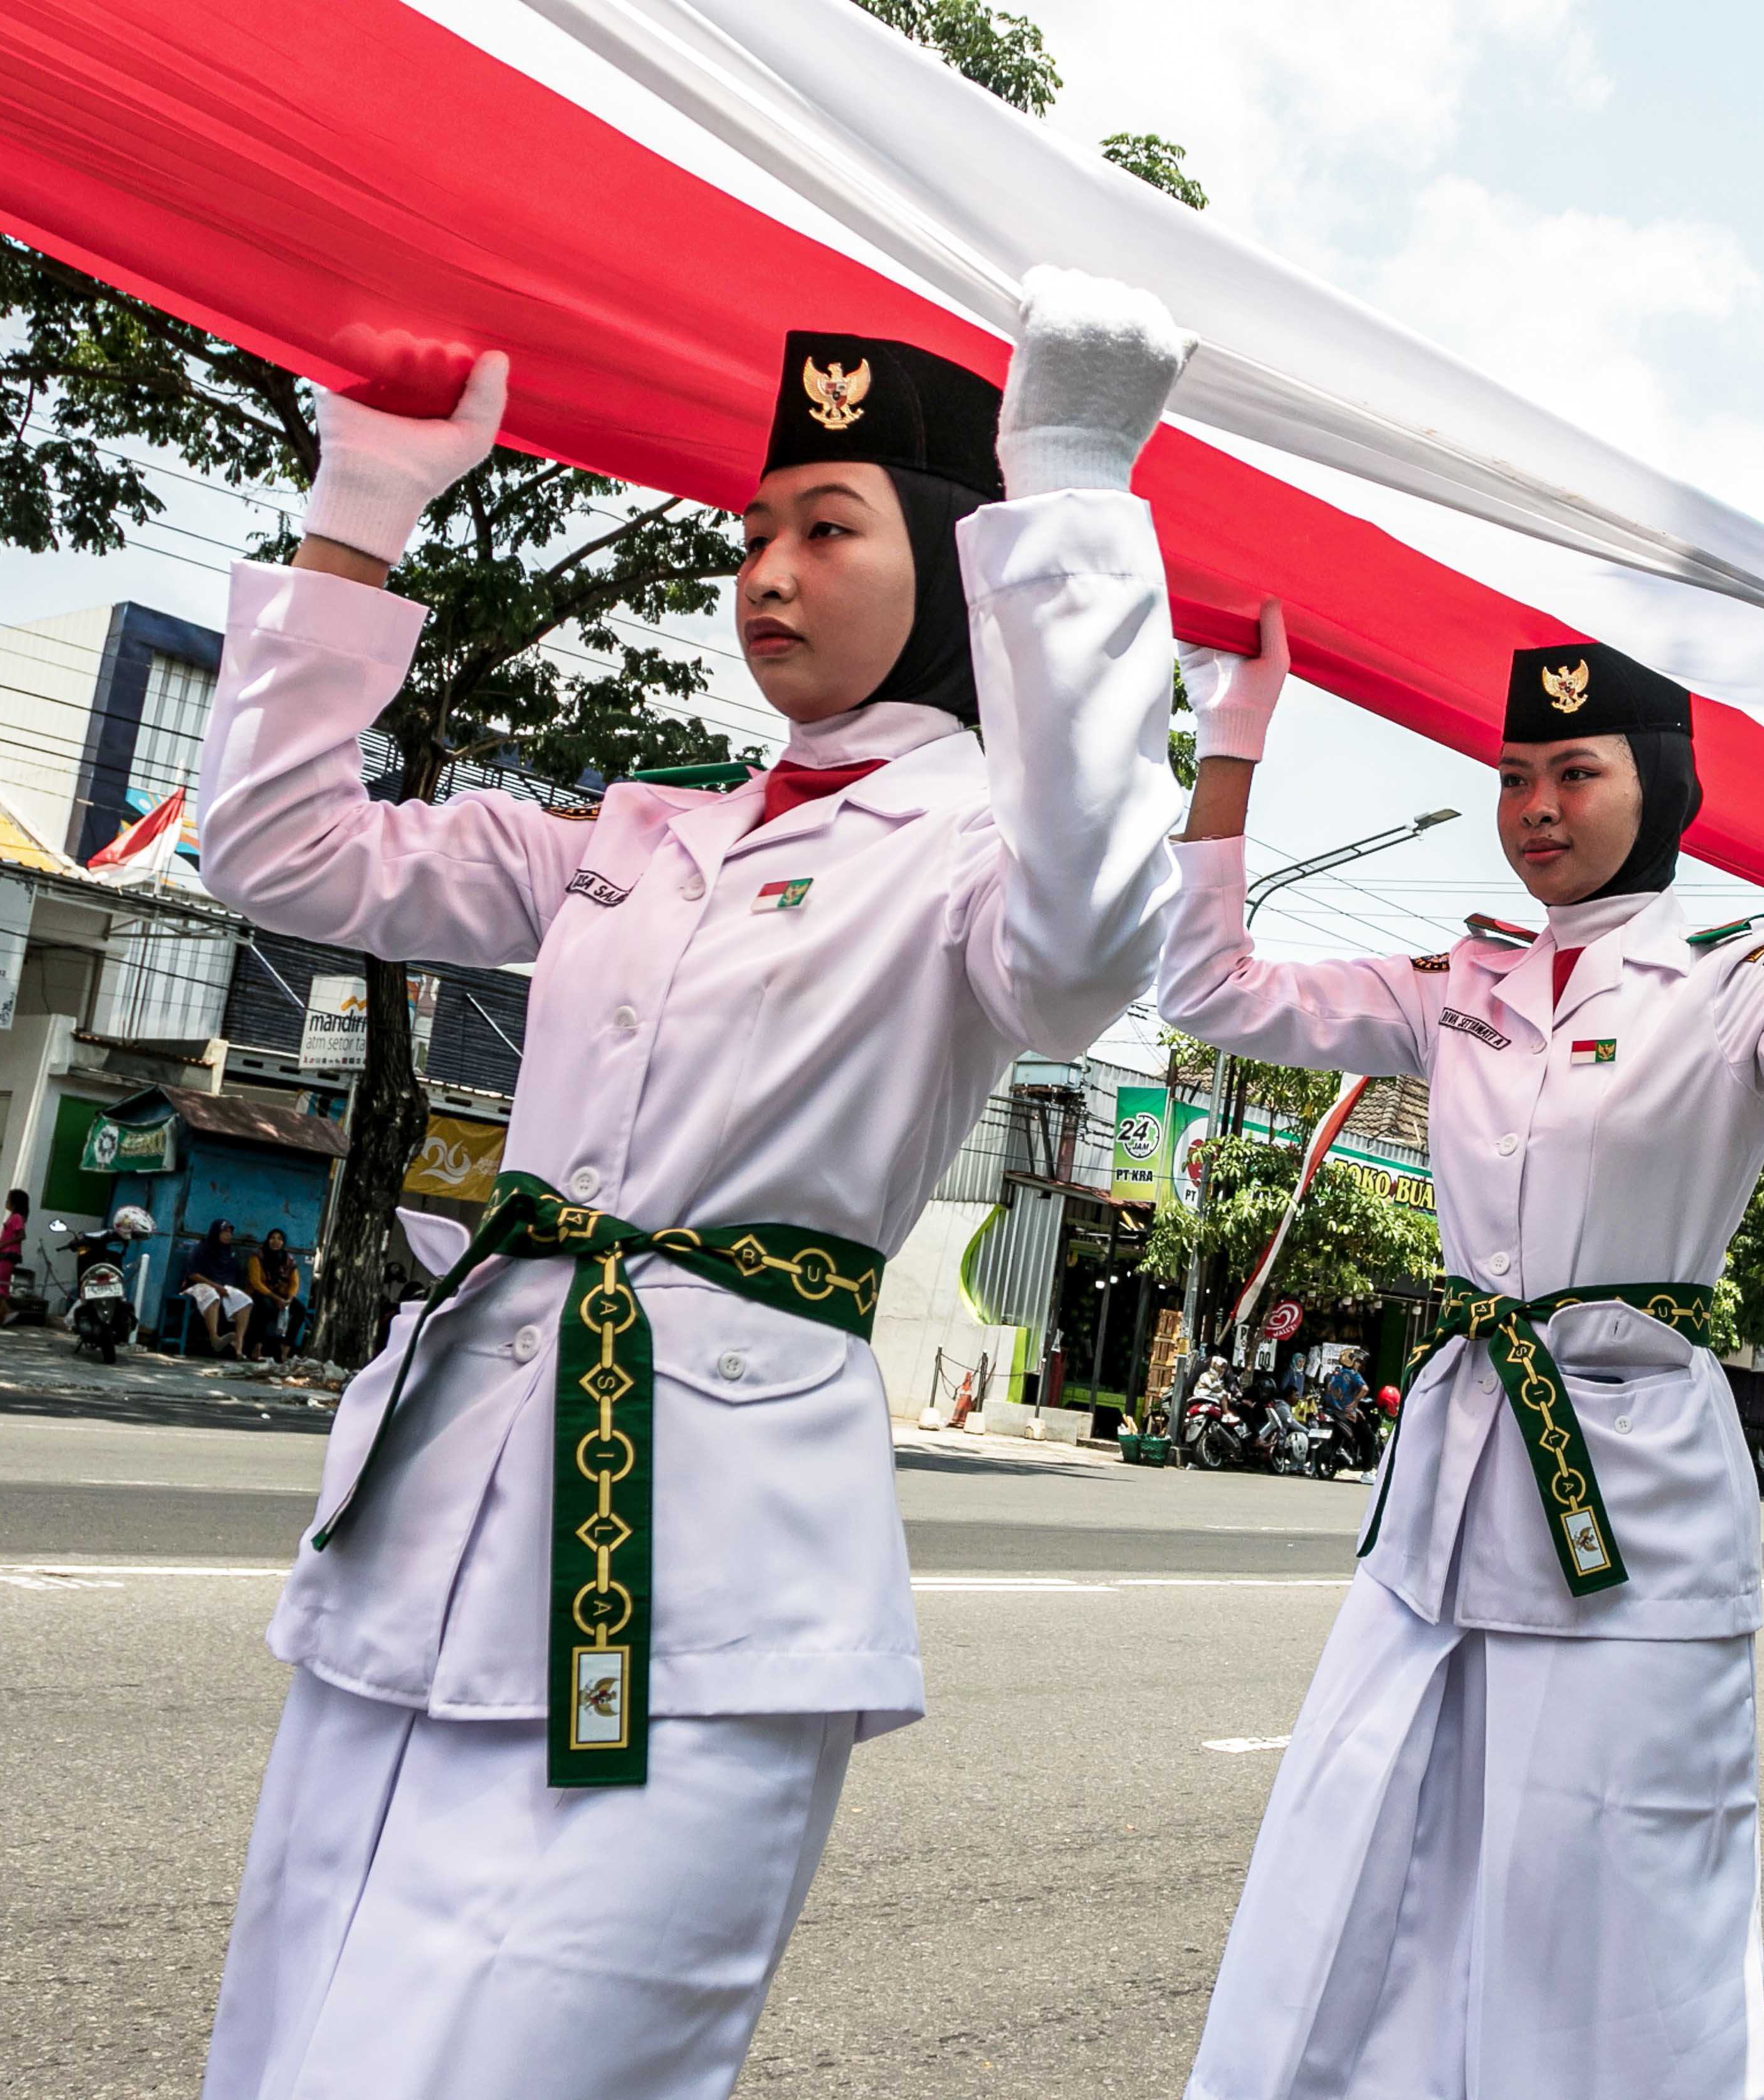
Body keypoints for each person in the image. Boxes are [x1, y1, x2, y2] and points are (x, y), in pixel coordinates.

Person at [190, 269, 1188, 2100]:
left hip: (707, 1574)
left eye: (826, 525)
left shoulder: (978, 848)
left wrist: (1072, 496)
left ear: (966, 573)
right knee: (293, 2050)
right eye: (751, 531)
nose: (766, 572)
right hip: (437, 1530)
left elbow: (1088, 938)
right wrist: (363, 513)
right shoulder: (640, 833)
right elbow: (276, 849)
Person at [1164, 556, 1764, 2098]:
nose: (1535, 805)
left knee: (1609, 1897)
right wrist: (1232, 743)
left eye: (1575, 771)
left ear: (1656, 788)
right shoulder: (1458, 978)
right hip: (1447, 1491)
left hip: (1627, 1497)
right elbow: (1208, 987)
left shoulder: (1727, 990)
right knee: (1379, 1847)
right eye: (1514, 775)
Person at [184, 1219, 255, 1357]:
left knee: (245, 1300)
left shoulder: (229, 1252)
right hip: (198, 1285)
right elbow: (193, 1274)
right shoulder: (202, 1248)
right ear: (216, 1232)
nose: (228, 1235)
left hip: (221, 1286)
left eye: (230, 1232)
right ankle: (215, 1339)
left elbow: (232, 1276)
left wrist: (227, 1289)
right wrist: (216, 1286)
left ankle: (239, 1346)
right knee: (212, 1295)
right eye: (225, 1232)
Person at [245, 1227, 306, 1360]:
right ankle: (257, 1347)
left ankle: (286, 1347)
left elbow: (294, 1283)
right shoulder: (257, 1257)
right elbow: (256, 1283)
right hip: (261, 1293)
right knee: (264, 1307)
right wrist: (275, 1298)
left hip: (282, 1296)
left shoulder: (288, 1259)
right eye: (273, 1238)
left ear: (284, 1242)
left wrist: (289, 1299)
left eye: (280, 1239)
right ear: (268, 1240)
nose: (276, 1242)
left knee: (300, 1310)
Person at [0, 1190, 32, 1324]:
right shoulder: (12, 1217)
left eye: (8, 1200)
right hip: (4, 1253)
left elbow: (21, 1235)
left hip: (9, 1253)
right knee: (2, 1285)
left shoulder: (16, 1217)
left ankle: (7, 1311)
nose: (6, 1202)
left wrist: (2, 1245)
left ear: (15, 1204)